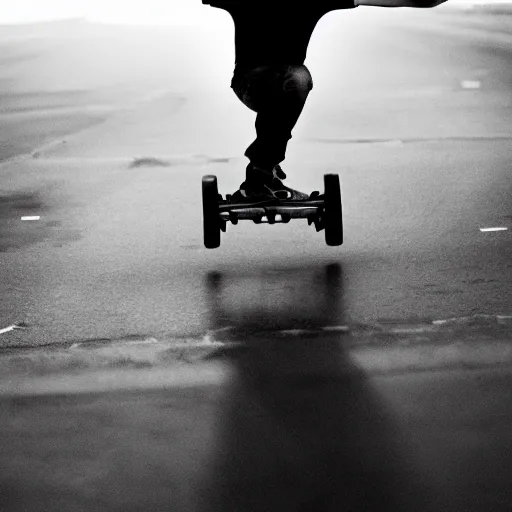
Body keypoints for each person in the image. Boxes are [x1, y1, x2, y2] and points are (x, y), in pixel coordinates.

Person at [202, 0, 448, 200]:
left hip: (281, 84)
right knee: (296, 79)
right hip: (250, 83)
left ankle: (262, 173)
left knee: (292, 83)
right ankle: (261, 172)